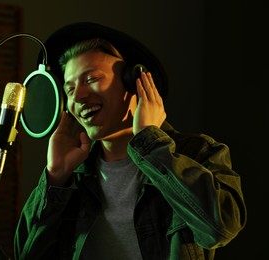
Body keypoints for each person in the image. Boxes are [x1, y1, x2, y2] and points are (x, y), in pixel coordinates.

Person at [14, 22, 247, 260]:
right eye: (70, 89)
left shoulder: (198, 152)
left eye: (91, 78)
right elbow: (26, 255)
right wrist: (56, 177)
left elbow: (220, 229)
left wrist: (151, 145)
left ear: (133, 82)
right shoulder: (73, 175)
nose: (79, 96)